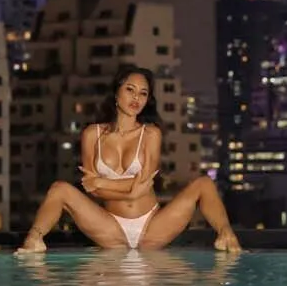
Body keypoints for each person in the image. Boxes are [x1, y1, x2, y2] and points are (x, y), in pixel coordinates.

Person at [16, 65, 242, 254]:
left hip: (153, 227)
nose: (136, 98)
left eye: (143, 93)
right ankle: (34, 239)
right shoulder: (92, 135)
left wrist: (103, 182)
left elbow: (142, 184)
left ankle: (226, 235)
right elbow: (91, 189)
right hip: (110, 228)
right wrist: (130, 191)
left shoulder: (151, 134)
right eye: (130, 90)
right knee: (59, 189)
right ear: (116, 93)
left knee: (204, 184)